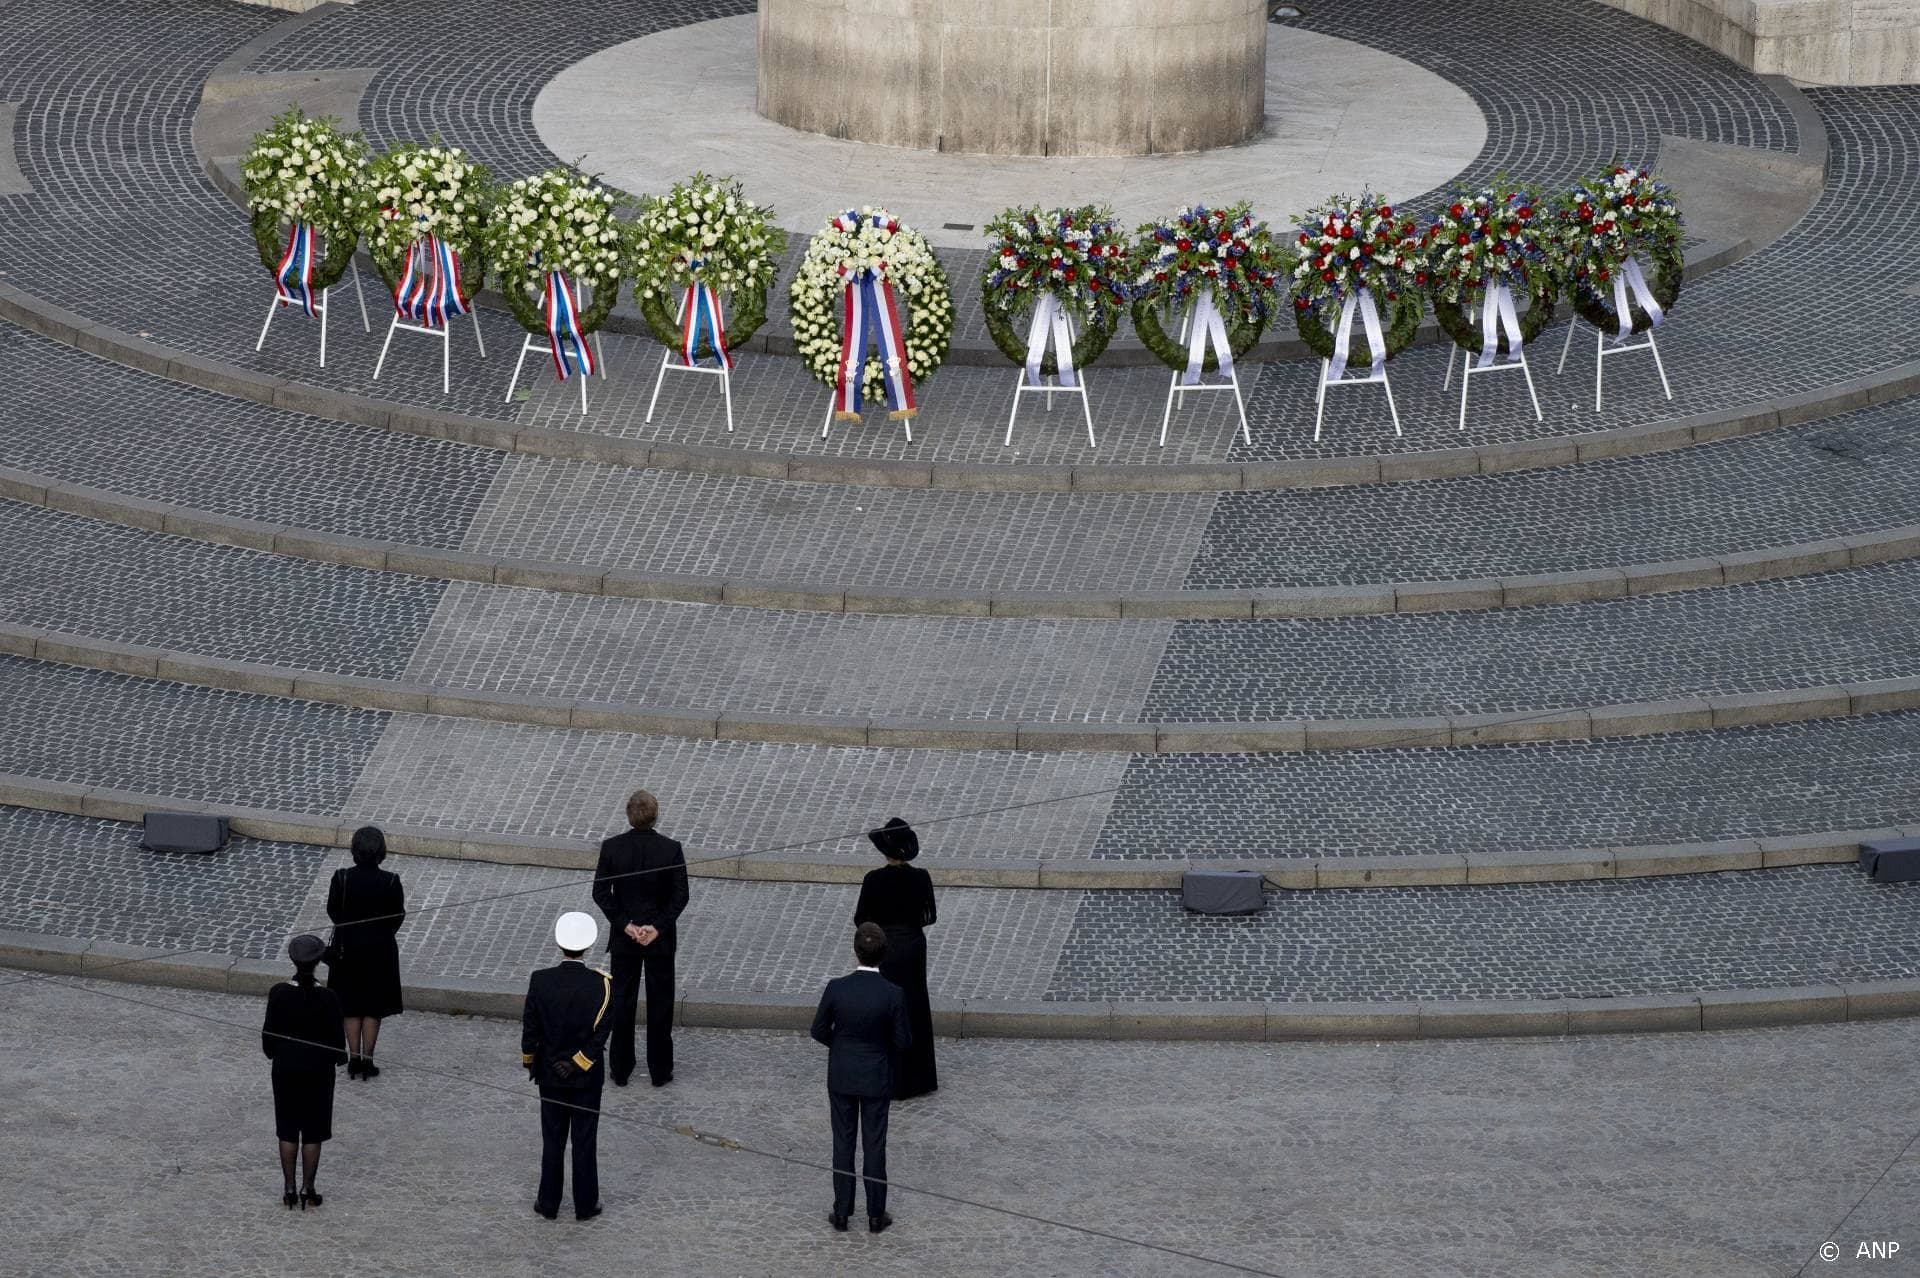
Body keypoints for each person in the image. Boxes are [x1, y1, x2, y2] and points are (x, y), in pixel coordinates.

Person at [811, 922, 912, 1234]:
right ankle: (875, 1215)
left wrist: (841, 1047)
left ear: (856, 951)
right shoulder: (893, 994)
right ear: (883, 953)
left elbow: (818, 1029)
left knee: (842, 1143)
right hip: (875, 1076)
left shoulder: (837, 988)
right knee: (874, 1144)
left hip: (842, 1074)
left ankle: (842, 1212)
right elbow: (903, 1041)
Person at [591, 789, 689, 1088]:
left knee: (622, 1003)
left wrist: (626, 925)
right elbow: (680, 896)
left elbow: (600, 893)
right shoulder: (671, 849)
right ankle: (660, 1070)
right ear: (656, 815)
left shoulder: (612, 848)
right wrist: (656, 928)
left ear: (628, 815)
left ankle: (620, 1069)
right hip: (659, 940)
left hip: (625, 939)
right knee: (661, 1004)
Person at [521, 911, 614, 1221]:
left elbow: (531, 1029)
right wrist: (578, 1063)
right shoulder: (602, 985)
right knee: (584, 1141)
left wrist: (530, 1061)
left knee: (553, 1140)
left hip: (550, 1074)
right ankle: (586, 1205)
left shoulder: (540, 980)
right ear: (588, 946)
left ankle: (548, 1203)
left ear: (559, 944)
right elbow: (601, 1033)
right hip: (586, 1077)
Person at [262, 933, 348, 1210]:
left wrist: (279, 1054)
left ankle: (288, 1187)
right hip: (318, 1070)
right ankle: (308, 1188)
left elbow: (268, 1039)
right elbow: (337, 1043)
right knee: (313, 1131)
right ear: (318, 962)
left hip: (286, 1067)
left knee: (287, 1128)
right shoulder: (329, 997)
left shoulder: (279, 993)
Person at [854, 817, 938, 1098]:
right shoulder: (921, 877)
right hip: (912, 947)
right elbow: (930, 917)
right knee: (914, 1004)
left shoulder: (873, 880)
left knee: (885, 1006)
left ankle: (885, 1074)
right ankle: (917, 1078)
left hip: (884, 948)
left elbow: (860, 919)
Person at [325, 825, 407, 1079]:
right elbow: (397, 916)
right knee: (373, 1007)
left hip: (346, 949)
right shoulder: (390, 881)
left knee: (350, 1006)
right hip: (379, 952)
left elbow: (333, 911)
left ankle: (354, 1058)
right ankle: (368, 1061)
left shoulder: (341, 878)